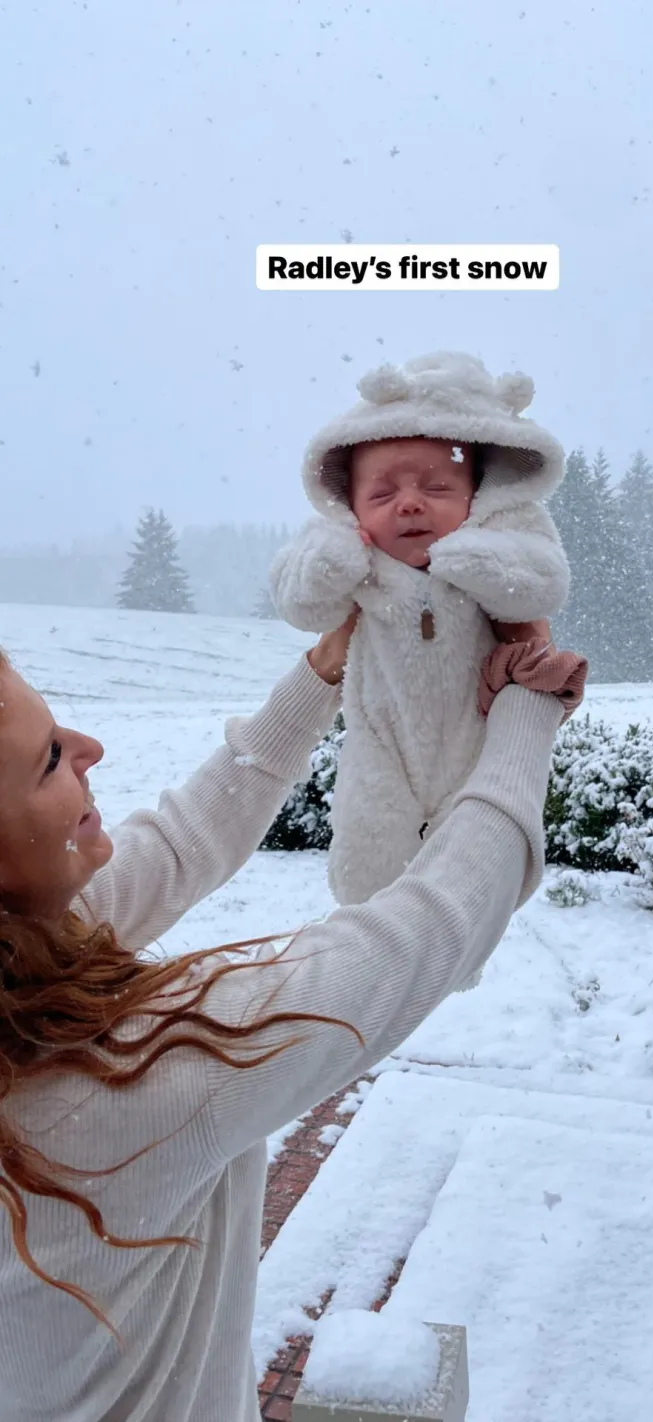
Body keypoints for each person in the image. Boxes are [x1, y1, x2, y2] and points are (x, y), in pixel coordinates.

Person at [0, 609, 585, 1422]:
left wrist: (321, 676)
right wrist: (527, 713)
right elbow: (422, 933)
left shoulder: (26, 960)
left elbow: (179, 842)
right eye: (49, 759)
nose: (89, 747)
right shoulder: (125, 1083)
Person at [270, 350, 582, 909]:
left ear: (479, 496)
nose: (410, 504)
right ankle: (365, 925)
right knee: (367, 846)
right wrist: (330, 564)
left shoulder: (501, 533)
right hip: (380, 738)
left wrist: (477, 563)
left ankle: (459, 944)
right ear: (350, 506)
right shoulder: (346, 548)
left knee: (475, 859)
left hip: (477, 735)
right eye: (383, 495)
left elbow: (544, 581)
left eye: (437, 489)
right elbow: (299, 602)